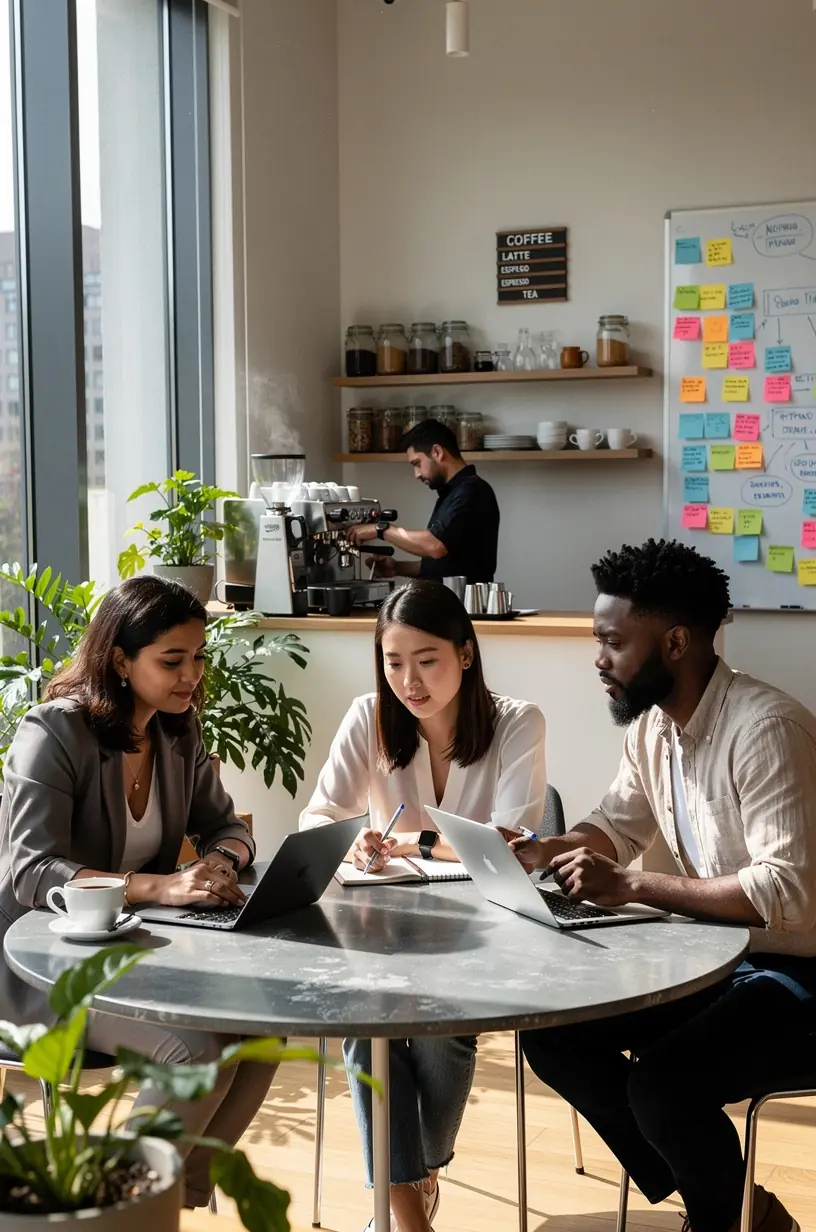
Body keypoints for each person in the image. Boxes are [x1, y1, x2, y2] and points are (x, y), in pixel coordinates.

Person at [511, 539, 816, 1232]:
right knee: (552, 1038)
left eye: (613, 642)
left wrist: (632, 885)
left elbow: (786, 892)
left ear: (675, 642)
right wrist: (546, 849)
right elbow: (616, 824)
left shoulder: (765, 729)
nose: (598, 659)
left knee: (662, 1086)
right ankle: (738, 1208)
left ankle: (722, 1216)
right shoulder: (655, 728)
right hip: (724, 962)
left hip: (802, 971)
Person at [0, 575, 277, 1209]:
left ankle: (174, 1200)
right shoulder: (54, 733)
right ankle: (116, 1207)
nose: (191, 675)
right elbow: (32, 871)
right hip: (41, 963)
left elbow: (230, 827)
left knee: (262, 1033)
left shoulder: (178, 732)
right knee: (193, 1048)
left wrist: (218, 863)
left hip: (133, 953)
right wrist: (162, 885)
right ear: (121, 660)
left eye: (198, 657)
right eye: (172, 660)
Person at [300, 579, 546, 1232]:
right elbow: (319, 816)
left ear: (466, 654)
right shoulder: (367, 718)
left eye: (427, 660)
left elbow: (511, 845)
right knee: (365, 1024)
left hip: (482, 935)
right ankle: (408, 1208)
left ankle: (414, 1180)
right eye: (393, 661)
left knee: (439, 1034)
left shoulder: (518, 723)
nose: (409, 680)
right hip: (381, 929)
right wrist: (351, 843)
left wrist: (402, 843)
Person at [347, 418, 500, 584]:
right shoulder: (452, 493)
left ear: (437, 452)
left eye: (417, 463)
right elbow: (447, 565)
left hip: (463, 607)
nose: (417, 474)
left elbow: (435, 546)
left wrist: (381, 529)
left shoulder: (471, 491)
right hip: (449, 603)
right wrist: (396, 568)